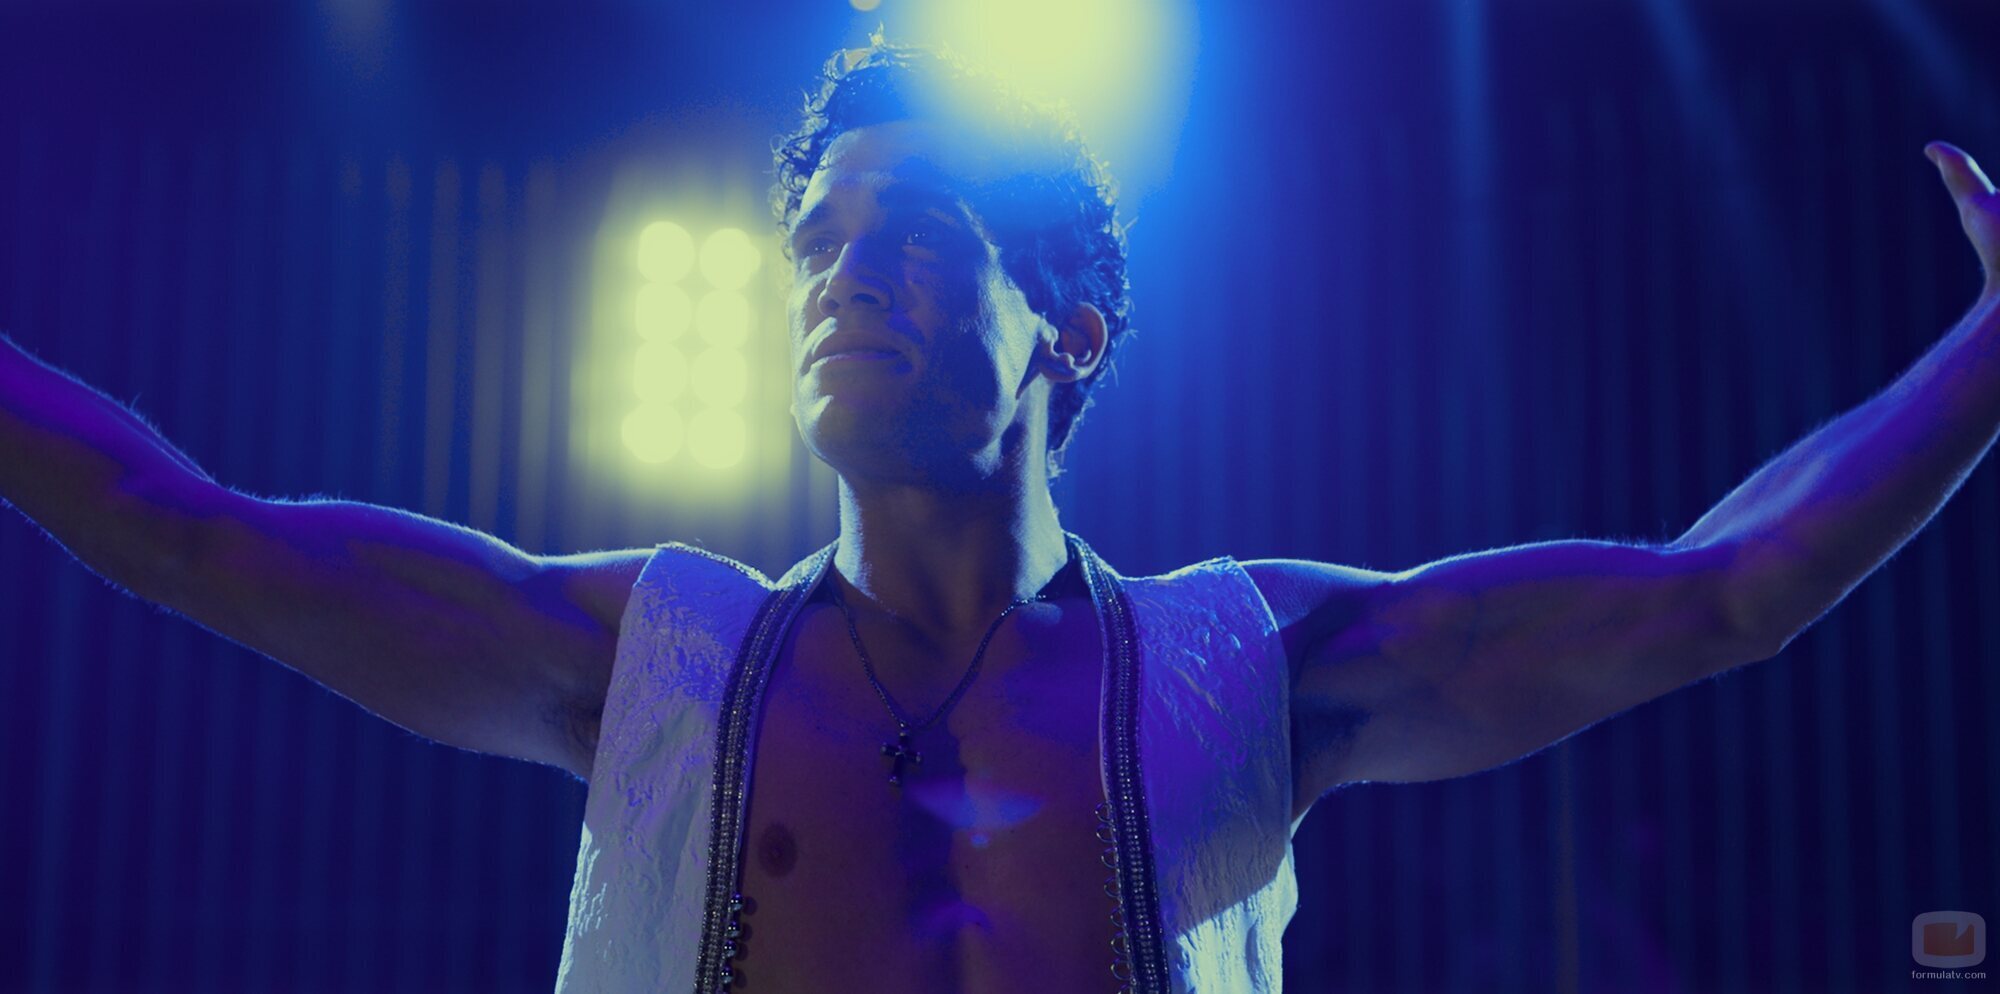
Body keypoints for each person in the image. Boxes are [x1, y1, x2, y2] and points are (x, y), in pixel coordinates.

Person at [3, 36, 1997, 994]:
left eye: (912, 232)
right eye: (819, 236)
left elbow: (1720, 589)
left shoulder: (1244, 663)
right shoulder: (653, 653)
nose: (839, 275)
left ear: (1072, 326)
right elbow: (186, 527)